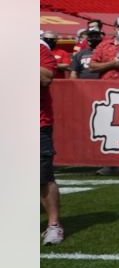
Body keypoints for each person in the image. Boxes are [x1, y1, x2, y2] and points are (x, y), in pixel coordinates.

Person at [41, 39, 64, 245]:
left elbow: (46, 78)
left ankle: (54, 225)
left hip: (36, 123)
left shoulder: (40, 50)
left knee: (43, 177)